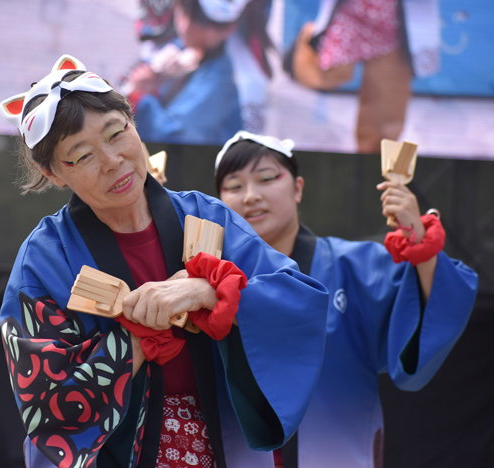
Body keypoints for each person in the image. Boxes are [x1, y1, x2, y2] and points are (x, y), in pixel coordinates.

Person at [0, 55, 329, 468]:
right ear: (54, 174)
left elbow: (300, 300)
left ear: (134, 124)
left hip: (225, 444)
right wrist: (134, 341)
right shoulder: (44, 259)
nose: (112, 160)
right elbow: (46, 406)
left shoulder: (207, 216)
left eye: (117, 133)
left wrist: (207, 292)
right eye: (82, 156)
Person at [213, 130, 479, 467]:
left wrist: (419, 241)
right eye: (234, 187)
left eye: (266, 178)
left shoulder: (356, 267)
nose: (250, 196)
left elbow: (439, 300)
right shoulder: (210, 281)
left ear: (298, 188)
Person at [284, 0, 441, 153]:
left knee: (385, 111)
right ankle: (307, 40)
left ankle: (373, 165)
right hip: (350, 13)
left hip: (394, 25)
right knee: (322, 72)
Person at [124, 0, 271, 146]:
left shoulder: (222, 81)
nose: (187, 26)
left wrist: (142, 98)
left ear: (228, 29)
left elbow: (177, 137)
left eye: (201, 21)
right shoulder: (178, 49)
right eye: (184, 12)